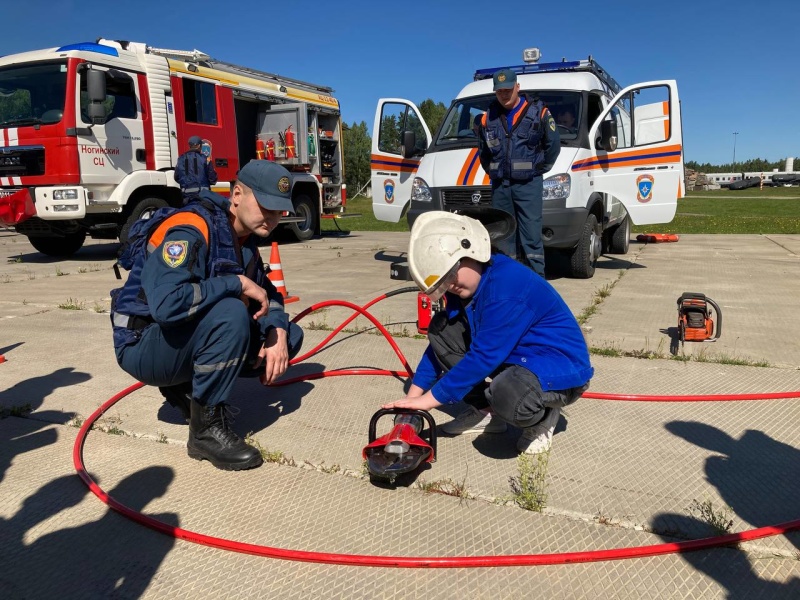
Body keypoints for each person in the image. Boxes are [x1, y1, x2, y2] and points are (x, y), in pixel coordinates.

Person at [110, 160, 304, 471]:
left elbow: (270, 296)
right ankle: (205, 433)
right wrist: (236, 282)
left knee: (290, 335)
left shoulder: (244, 244)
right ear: (237, 194)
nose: (273, 217)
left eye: (280, 210)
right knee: (230, 312)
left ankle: (185, 386)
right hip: (141, 341)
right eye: (266, 205)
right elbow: (168, 305)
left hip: (175, 339)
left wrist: (276, 333)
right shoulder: (192, 228)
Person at [382, 211, 592, 455]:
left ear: (474, 251)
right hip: (518, 357)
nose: (450, 285)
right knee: (442, 330)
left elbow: (483, 357)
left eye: (451, 274)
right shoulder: (467, 288)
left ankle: (542, 417)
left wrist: (428, 402)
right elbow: (439, 347)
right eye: (443, 282)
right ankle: (485, 412)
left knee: (506, 393)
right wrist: (413, 400)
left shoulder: (506, 287)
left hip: (557, 369)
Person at [477, 68, 560, 277]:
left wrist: (539, 169)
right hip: (501, 187)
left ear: (517, 87)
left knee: (531, 238)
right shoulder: (488, 118)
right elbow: (483, 152)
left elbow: (553, 146)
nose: (504, 94)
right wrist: (494, 171)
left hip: (528, 186)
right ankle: (506, 282)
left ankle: (536, 284)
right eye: (499, 91)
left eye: (508, 90)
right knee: (502, 237)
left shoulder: (538, 112)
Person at [174, 135, 218, 204]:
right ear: (198, 146)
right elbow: (213, 179)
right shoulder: (206, 159)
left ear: (190, 146)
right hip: (203, 198)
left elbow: (176, 177)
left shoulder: (180, 159)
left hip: (186, 199)